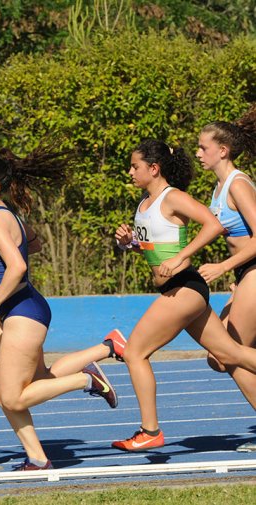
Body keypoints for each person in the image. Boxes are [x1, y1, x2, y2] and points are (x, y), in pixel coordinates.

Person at [0, 148, 125, 471]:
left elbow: (18, 267)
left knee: (13, 397)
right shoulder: (2, 215)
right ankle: (37, 458)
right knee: (2, 388)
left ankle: (85, 381)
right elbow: (10, 261)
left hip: (23, 311)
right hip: (21, 311)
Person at [112, 139, 256, 452]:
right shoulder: (144, 203)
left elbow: (213, 225)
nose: (130, 171)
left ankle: (149, 430)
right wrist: (132, 244)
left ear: (154, 168)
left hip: (185, 288)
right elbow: (158, 247)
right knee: (229, 354)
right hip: (175, 287)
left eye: (135, 166)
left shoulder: (173, 197)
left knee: (134, 352)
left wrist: (181, 258)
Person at [194, 104, 256, 453]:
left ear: (223, 150)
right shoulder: (219, 189)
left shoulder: (238, 184)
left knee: (227, 354)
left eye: (203, 148)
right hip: (247, 275)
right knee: (221, 356)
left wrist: (222, 267)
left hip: (254, 272)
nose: (198, 153)